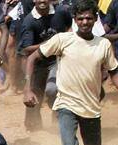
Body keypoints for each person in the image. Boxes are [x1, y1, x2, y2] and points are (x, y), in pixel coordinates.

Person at [24, 0, 118, 145]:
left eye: (89, 18)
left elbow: (113, 71)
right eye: (80, 18)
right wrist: (27, 88)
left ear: (95, 19)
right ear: (74, 19)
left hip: (91, 107)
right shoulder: (62, 40)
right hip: (66, 104)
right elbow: (32, 57)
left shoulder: (103, 44)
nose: (84, 22)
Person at [17, 0, 72, 130]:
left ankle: (56, 115)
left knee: (52, 90)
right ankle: (34, 125)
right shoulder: (29, 21)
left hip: (57, 61)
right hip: (37, 63)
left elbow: (70, 25)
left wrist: (67, 38)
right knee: (35, 94)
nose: (42, 1)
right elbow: (26, 49)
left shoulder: (61, 12)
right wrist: (50, 43)